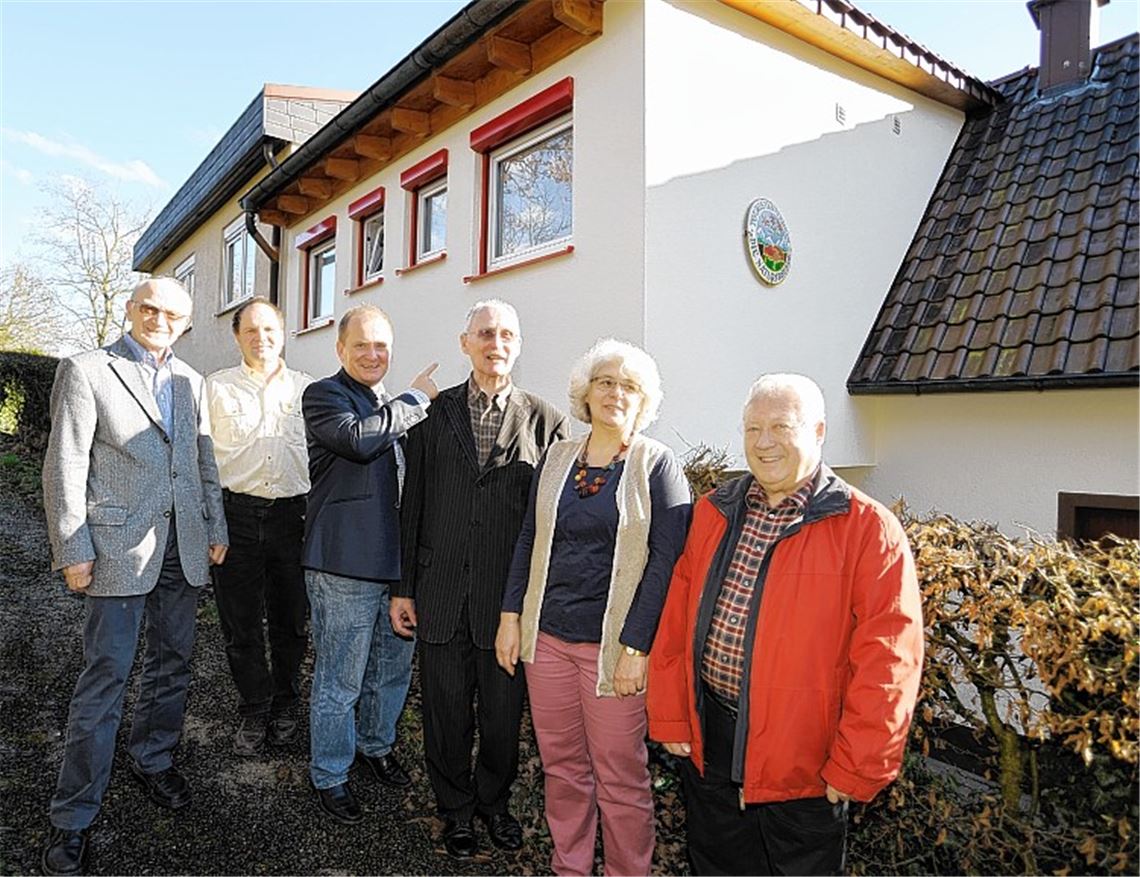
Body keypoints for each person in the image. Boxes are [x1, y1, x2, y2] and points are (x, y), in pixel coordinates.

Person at [647, 373, 924, 876]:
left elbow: (890, 662)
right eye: (753, 429)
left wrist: (857, 765)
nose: (764, 442)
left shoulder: (868, 529)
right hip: (712, 746)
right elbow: (677, 618)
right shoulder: (715, 511)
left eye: (781, 427)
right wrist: (670, 715)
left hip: (807, 768)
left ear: (818, 432)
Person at [40, 277, 228, 876]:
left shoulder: (190, 381)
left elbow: (202, 461)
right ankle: (73, 818)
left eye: (172, 313)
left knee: (172, 664)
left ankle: (153, 759)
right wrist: (73, 546)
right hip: (117, 548)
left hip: (183, 548)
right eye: (149, 308)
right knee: (106, 681)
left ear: (186, 322)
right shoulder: (88, 370)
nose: (159, 319)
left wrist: (215, 527)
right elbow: (65, 462)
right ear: (129, 309)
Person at [496, 338, 691, 876]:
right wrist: (512, 616)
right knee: (563, 770)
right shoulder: (559, 456)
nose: (615, 393)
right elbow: (530, 537)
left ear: (644, 399)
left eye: (628, 386)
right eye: (605, 381)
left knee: (621, 777)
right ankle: (570, 868)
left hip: (612, 652)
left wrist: (638, 647)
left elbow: (666, 563)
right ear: (585, 391)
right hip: (548, 642)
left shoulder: (658, 464)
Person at [392, 300, 570, 858]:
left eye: (508, 334)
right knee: (445, 714)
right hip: (439, 592)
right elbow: (411, 503)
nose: (497, 343)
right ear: (464, 342)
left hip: (507, 607)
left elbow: (551, 522)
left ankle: (494, 804)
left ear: (518, 346)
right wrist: (402, 587)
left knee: (499, 719)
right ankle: (457, 812)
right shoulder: (431, 414)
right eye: (486, 333)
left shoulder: (547, 420)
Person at [302, 304, 438, 826]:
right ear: (340, 349)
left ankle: (375, 746)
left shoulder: (388, 405)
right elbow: (359, 442)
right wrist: (416, 398)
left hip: (395, 568)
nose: (373, 354)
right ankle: (330, 773)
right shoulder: (326, 396)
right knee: (341, 680)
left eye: (381, 345)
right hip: (342, 566)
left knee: (391, 668)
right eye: (362, 344)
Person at [206, 297, 313, 756]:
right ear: (237, 337)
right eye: (251, 330)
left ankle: (286, 704)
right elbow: (201, 464)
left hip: (295, 518)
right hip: (236, 518)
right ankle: (254, 707)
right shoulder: (214, 389)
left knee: (291, 622)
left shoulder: (310, 390)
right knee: (241, 623)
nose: (261, 338)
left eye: (269, 329)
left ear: (283, 333)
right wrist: (211, 525)